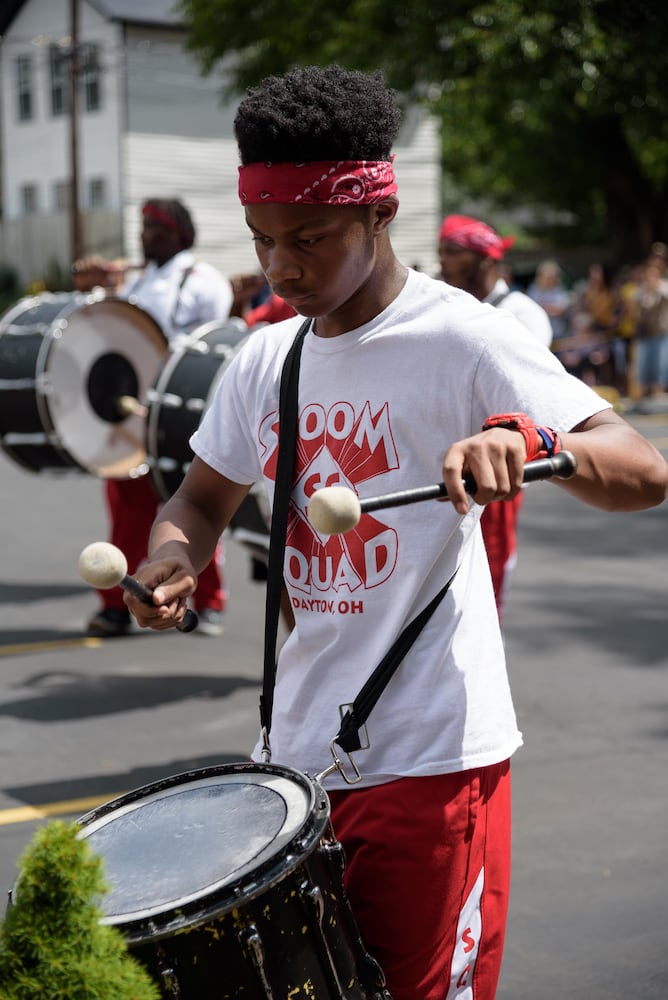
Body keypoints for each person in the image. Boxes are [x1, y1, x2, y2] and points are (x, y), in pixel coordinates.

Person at [122, 66, 667, 1000]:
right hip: (293, 758)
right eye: (263, 241)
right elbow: (202, 499)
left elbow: (642, 469)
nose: (282, 267)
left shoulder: (462, 338)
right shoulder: (268, 356)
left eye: (310, 238)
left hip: (430, 758)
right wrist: (173, 554)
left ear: (379, 213)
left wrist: (530, 440)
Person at [73, 198, 234, 637]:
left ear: (179, 233)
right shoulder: (137, 284)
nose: (145, 236)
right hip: (133, 421)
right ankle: (115, 602)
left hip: (182, 418)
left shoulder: (204, 281)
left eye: (156, 228)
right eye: (143, 227)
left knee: (198, 507)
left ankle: (209, 599)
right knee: (127, 510)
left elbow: (210, 350)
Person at [438, 213, 552, 620]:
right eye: (442, 253)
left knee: (488, 573)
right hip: (442, 461)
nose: (442, 263)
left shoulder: (521, 313)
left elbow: (524, 400)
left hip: (491, 464)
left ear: (486, 259)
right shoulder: (450, 307)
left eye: (453, 253)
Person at [527, 258, 572, 342]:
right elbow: (530, 310)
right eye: (547, 277)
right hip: (538, 333)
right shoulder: (533, 289)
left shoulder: (560, 290)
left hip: (558, 332)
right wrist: (551, 309)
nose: (550, 279)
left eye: (552, 277)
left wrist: (541, 308)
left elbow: (561, 310)